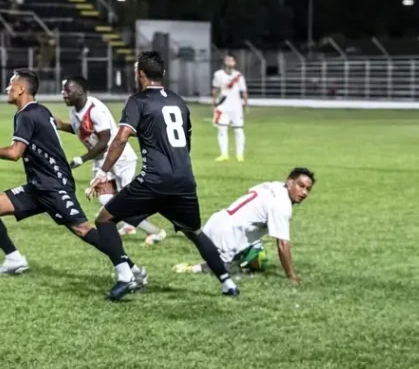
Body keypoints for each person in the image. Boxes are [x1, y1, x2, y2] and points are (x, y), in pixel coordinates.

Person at [0, 69, 148, 289]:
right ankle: (14, 259)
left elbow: (15, 153)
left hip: (54, 186)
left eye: (11, 84)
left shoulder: (27, 114)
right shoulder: (39, 111)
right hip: (37, 187)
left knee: (83, 229)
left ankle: (132, 269)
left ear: (21, 89)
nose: (8, 88)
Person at [90, 51, 240, 301]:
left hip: (153, 181)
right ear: (164, 74)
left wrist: (103, 172)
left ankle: (126, 276)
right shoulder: (179, 102)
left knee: (104, 220)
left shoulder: (137, 101)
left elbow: (121, 138)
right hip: (183, 181)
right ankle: (228, 283)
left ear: (140, 74)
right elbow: (185, 144)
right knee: (195, 233)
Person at [54, 75, 167, 246]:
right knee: (106, 199)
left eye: (67, 91)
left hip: (119, 157)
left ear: (80, 91)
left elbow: (105, 140)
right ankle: (130, 225)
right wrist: (62, 125)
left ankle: (156, 231)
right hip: (102, 160)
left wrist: (82, 158)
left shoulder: (94, 108)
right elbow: (83, 131)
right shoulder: (75, 112)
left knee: (124, 203)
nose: (64, 94)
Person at [173, 168, 315, 282]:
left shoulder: (274, 186)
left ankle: (237, 257)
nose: (304, 192)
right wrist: (291, 276)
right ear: (290, 182)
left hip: (218, 220)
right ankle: (191, 269)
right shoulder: (282, 205)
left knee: (259, 261)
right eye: (301, 186)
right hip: (227, 234)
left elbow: (250, 191)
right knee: (221, 270)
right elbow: (282, 244)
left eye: (308, 189)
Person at [211, 53, 248, 161]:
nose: (229, 62)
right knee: (222, 129)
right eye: (227, 60)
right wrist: (213, 102)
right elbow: (215, 89)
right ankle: (224, 154)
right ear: (225, 62)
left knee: (239, 130)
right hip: (223, 106)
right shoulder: (218, 74)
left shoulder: (239, 76)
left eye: (231, 60)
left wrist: (245, 103)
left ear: (235, 62)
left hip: (236, 107)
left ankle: (239, 155)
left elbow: (243, 90)